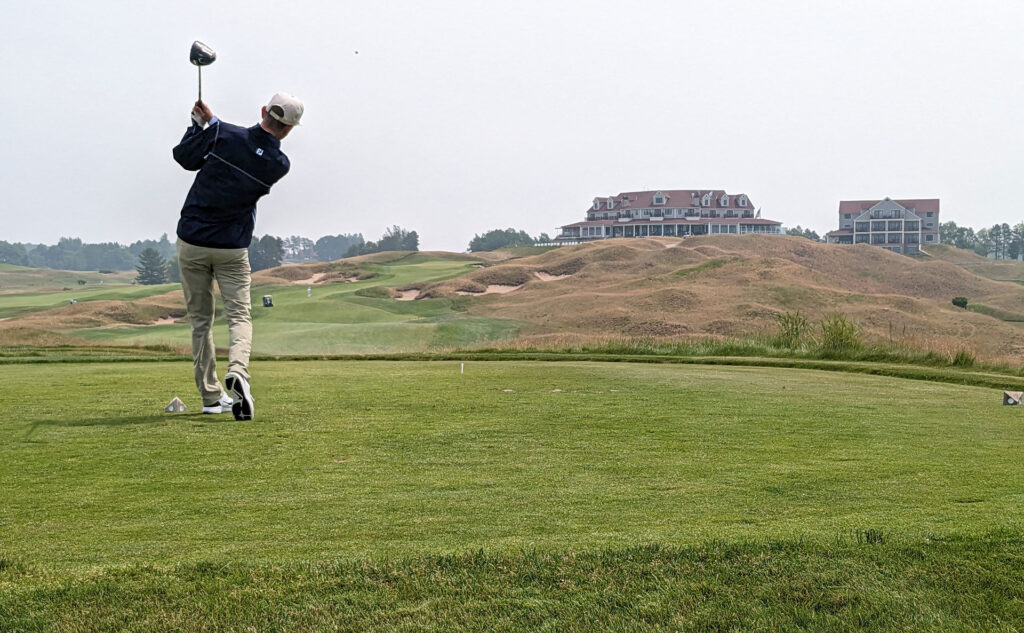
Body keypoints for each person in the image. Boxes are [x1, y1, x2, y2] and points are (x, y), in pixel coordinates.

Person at [172, 92, 303, 420]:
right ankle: (239, 372)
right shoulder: (279, 165)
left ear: (263, 111)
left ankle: (210, 397)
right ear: (288, 130)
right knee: (240, 317)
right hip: (231, 248)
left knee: (201, 321)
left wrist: (197, 126)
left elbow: (185, 158)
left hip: (192, 241)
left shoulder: (222, 134)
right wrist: (212, 125)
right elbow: (246, 146)